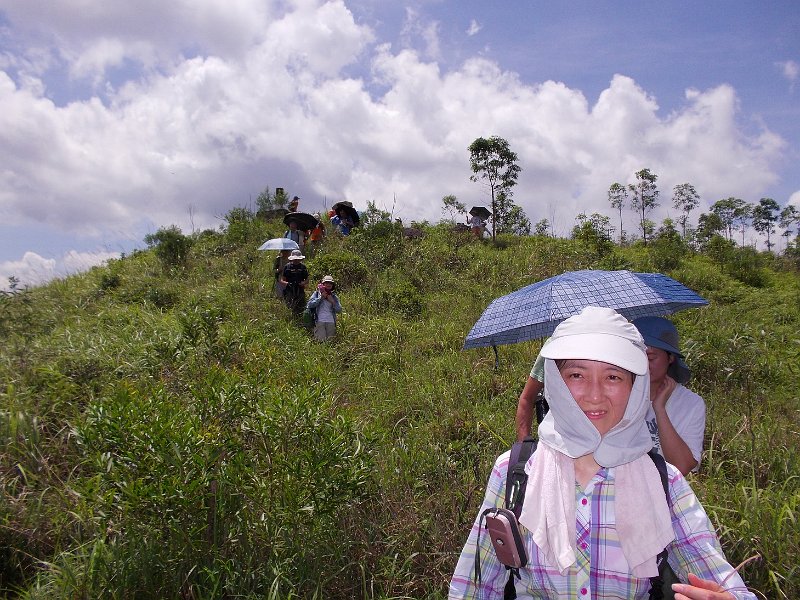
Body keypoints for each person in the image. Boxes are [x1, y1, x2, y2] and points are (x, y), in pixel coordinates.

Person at [450, 306, 754, 599]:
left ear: (635, 386)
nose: (594, 395)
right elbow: (474, 585)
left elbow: (723, 582)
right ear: (555, 382)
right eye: (577, 375)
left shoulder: (665, 482)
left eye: (613, 377)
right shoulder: (514, 471)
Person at [633, 316, 706, 475]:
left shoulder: (690, 403)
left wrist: (659, 409)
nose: (644, 363)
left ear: (671, 358)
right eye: (637, 355)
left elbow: (682, 467)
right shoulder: (616, 393)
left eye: (651, 357)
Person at [306, 275, 342, 341]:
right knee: (321, 341)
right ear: (323, 284)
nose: (329, 284)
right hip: (319, 321)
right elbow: (309, 305)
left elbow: (339, 310)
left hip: (331, 321)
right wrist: (321, 298)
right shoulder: (316, 294)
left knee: (330, 342)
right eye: (327, 282)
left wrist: (332, 302)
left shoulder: (334, 296)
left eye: (330, 283)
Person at [280, 249, 308, 314]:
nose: (296, 260)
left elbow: (307, 279)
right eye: (295, 259)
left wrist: (303, 283)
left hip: (300, 289)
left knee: (301, 306)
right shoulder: (287, 266)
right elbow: (282, 279)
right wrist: (287, 284)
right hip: (289, 290)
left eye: (298, 259)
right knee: (290, 306)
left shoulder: (303, 267)